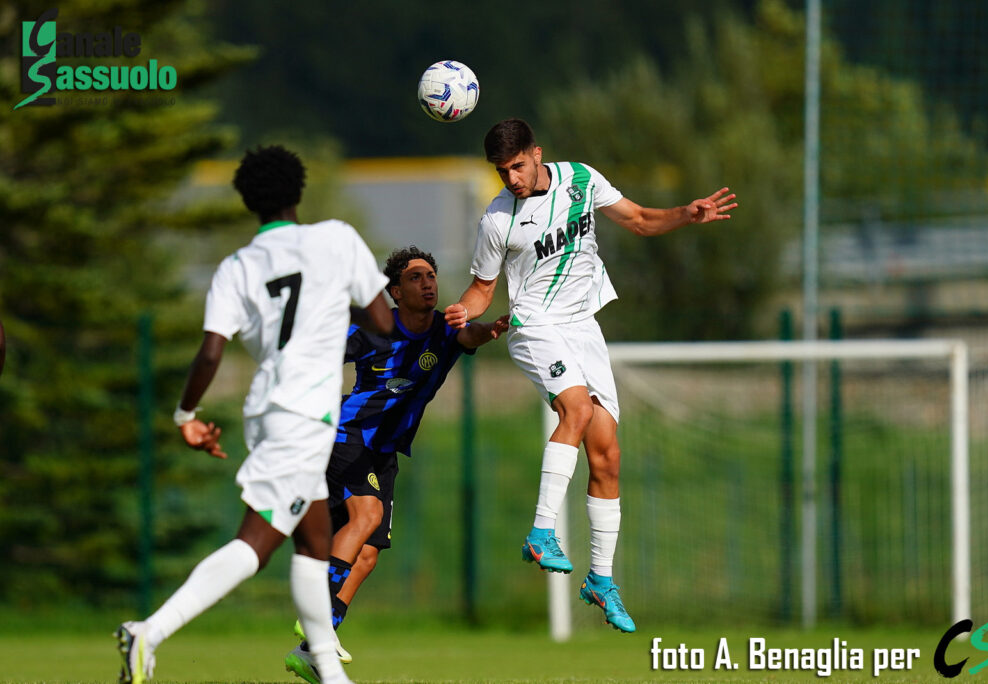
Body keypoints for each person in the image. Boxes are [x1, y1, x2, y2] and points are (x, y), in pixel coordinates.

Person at [444, 118, 737, 633]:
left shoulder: (580, 178)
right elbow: (483, 289)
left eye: (517, 166)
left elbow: (640, 219)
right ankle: (542, 532)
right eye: (501, 171)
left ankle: (601, 579)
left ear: (537, 154)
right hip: (533, 325)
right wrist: (462, 311)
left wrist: (686, 214)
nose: (511, 178)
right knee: (576, 411)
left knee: (607, 454)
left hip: (583, 327)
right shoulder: (497, 219)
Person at [115, 145, 393, 684]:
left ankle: (328, 670)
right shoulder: (335, 239)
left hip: (268, 411)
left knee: (314, 542)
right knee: (256, 543)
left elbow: (210, 352)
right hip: (303, 416)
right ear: (298, 191)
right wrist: (334, 300)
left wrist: (186, 414)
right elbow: (382, 321)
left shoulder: (237, 266)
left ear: (248, 201)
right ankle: (149, 630)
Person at [286, 246, 509, 682]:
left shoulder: (444, 329)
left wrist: (492, 329)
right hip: (348, 436)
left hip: (385, 451)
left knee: (368, 555)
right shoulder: (374, 327)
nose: (427, 284)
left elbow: (469, 336)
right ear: (395, 292)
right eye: (415, 278)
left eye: (431, 276)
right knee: (366, 515)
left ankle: (311, 651)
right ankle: (317, 616)